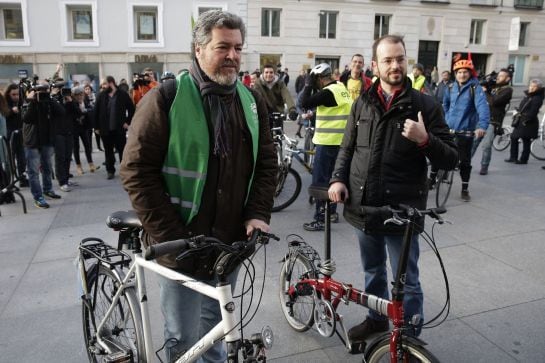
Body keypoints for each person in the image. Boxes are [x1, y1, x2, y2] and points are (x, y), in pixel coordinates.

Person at [119, 10, 277, 363]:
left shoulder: (251, 102)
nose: (233, 56)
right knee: (183, 338)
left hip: (229, 243)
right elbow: (136, 171)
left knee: (217, 330)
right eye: (223, 47)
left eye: (238, 48)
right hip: (178, 246)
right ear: (199, 48)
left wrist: (257, 214)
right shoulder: (165, 98)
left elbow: (267, 164)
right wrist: (172, 237)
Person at [328, 34, 458, 343]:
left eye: (400, 59)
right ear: (375, 65)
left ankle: (409, 338)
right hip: (363, 206)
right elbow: (347, 149)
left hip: (402, 211)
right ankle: (376, 321)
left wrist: (425, 140)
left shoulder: (424, 105)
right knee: (373, 271)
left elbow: (452, 158)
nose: (395, 65)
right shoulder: (362, 102)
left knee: (407, 281)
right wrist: (337, 178)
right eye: (387, 60)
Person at [300, 63, 353, 231]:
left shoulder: (328, 92)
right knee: (333, 180)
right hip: (340, 142)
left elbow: (303, 102)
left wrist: (307, 85)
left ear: (320, 79)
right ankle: (330, 213)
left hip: (328, 142)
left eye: (314, 80)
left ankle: (320, 219)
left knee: (320, 182)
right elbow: (335, 111)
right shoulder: (340, 88)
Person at [443, 57, 489, 201]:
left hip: (465, 131)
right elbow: (445, 105)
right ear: (455, 74)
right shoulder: (450, 87)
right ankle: (432, 179)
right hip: (449, 129)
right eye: (459, 72)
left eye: (465, 72)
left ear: (470, 74)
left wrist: (481, 126)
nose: (462, 75)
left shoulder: (475, 89)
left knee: (465, 162)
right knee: (439, 153)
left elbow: (482, 107)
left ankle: (464, 188)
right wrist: (445, 120)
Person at [22, 82, 65, 208]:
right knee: (34, 171)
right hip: (33, 141)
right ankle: (38, 197)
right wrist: (32, 101)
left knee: (47, 167)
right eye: (40, 90)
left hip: (47, 139)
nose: (43, 93)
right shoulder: (29, 101)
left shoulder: (49, 101)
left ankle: (48, 189)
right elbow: (26, 119)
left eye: (45, 90)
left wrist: (50, 99)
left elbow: (62, 112)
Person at [472, 69, 512, 175]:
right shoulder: (494, 86)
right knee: (473, 143)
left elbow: (494, 102)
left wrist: (486, 91)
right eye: (499, 75)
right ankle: (464, 163)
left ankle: (484, 166)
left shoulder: (507, 90)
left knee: (486, 145)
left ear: (508, 79)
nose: (498, 77)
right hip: (481, 119)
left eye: (502, 76)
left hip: (493, 121)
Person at [94, 76, 135, 179]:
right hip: (105, 129)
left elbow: (132, 109)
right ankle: (110, 170)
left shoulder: (122, 94)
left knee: (122, 151)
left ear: (111, 83)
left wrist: (127, 122)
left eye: (104, 84)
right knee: (108, 151)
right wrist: (96, 127)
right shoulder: (101, 95)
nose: (102, 86)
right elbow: (95, 112)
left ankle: (124, 171)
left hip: (119, 129)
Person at [505, 79, 544, 165]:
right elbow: (523, 107)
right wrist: (518, 111)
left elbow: (533, 112)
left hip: (528, 122)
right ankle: (514, 157)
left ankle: (523, 159)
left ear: (538, 88)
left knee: (525, 140)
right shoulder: (529, 96)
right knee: (515, 137)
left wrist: (524, 117)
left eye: (534, 87)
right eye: (531, 86)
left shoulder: (537, 98)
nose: (531, 88)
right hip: (522, 121)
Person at [4, 83, 28, 187]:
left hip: (20, 133)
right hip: (10, 134)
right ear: (8, 94)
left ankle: (22, 178)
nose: (16, 97)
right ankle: (11, 182)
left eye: (17, 94)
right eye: (13, 94)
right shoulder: (4, 104)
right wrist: (11, 111)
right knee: (10, 160)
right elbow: (4, 116)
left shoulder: (20, 102)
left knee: (22, 158)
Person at [71, 86, 98, 175]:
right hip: (74, 128)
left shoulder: (85, 101)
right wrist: (83, 112)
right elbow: (75, 112)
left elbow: (92, 109)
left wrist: (85, 110)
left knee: (87, 145)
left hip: (84, 127)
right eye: (77, 95)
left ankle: (91, 164)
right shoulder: (72, 103)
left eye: (81, 94)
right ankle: (79, 166)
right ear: (74, 96)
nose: (79, 96)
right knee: (76, 147)